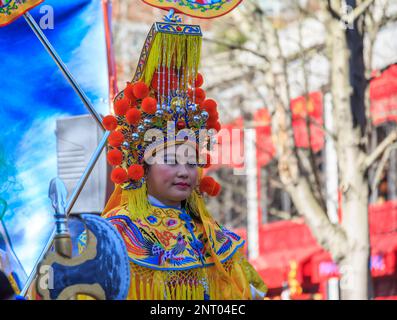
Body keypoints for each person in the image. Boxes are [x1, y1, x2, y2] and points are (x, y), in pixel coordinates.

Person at [98, 20, 267, 300]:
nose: (184, 172)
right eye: (171, 160)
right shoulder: (117, 233)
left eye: (191, 162)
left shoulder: (210, 234)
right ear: (142, 167)